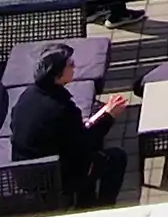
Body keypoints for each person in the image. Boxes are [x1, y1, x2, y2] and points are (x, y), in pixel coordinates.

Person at [7, 45, 135, 207]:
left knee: (87, 158)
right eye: (70, 64)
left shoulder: (27, 96)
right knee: (115, 158)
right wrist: (109, 116)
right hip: (54, 178)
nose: (74, 66)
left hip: (25, 175)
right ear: (57, 74)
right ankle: (102, 208)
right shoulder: (62, 109)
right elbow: (87, 144)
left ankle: (85, 200)